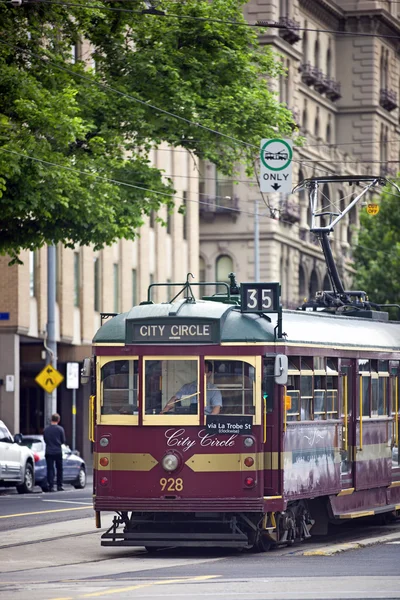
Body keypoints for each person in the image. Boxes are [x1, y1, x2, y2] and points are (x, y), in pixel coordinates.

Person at [43, 413, 66, 492]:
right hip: (58, 451)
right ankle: (59, 486)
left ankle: (51, 486)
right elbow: (63, 441)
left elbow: (45, 440)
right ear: (58, 420)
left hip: (49, 451)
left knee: (50, 469)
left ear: (51, 420)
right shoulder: (60, 429)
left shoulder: (46, 429)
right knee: (59, 469)